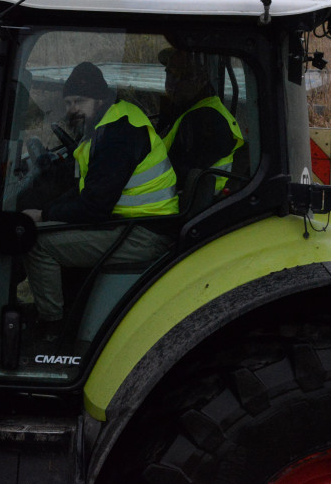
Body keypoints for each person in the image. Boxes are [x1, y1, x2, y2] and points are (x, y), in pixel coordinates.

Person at [22, 62, 178, 337]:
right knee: (48, 227)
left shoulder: (117, 134)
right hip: (132, 224)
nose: (72, 109)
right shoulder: (107, 124)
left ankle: (52, 330)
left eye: (80, 101)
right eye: (68, 102)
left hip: (145, 234)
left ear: (101, 99)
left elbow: (94, 206)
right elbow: (87, 191)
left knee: (38, 243)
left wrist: (45, 214)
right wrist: (47, 210)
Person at [158, 49, 244, 193]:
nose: (172, 83)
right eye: (170, 74)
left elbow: (178, 174)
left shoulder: (205, 119)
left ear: (201, 79)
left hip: (198, 203)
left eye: (182, 76)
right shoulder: (187, 108)